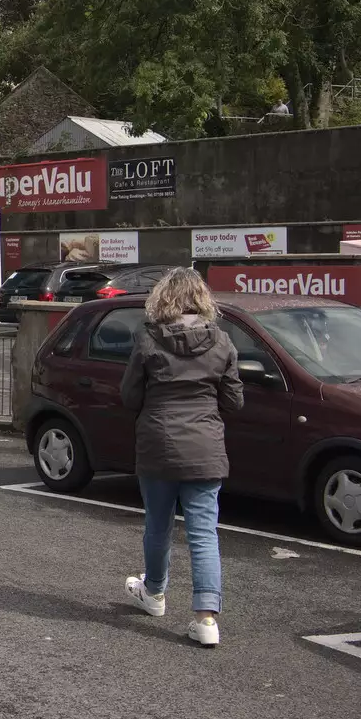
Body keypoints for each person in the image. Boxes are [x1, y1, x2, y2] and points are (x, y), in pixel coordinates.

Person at [120, 267, 243, 647]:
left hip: (158, 443)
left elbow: (129, 397)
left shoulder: (146, 339)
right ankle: (206, 619)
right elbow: (234, 402)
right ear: (202, 300)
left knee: (158, 526)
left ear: (163, 299)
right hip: (205, 447)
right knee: (204, 534)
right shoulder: (222, 342)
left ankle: (154, 593)